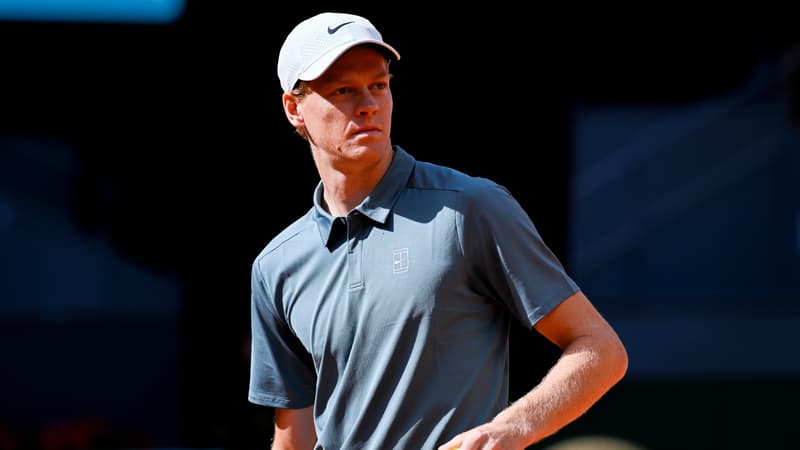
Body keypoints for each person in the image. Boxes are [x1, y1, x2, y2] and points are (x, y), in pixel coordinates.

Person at [248, 11, 628, 450]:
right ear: (294, 109)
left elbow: (601, 350)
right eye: (343, 90)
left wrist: (511, 428)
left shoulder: (470, 208)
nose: (368, 104)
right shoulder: (276, 265)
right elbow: (293, 439)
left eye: (379, 85)